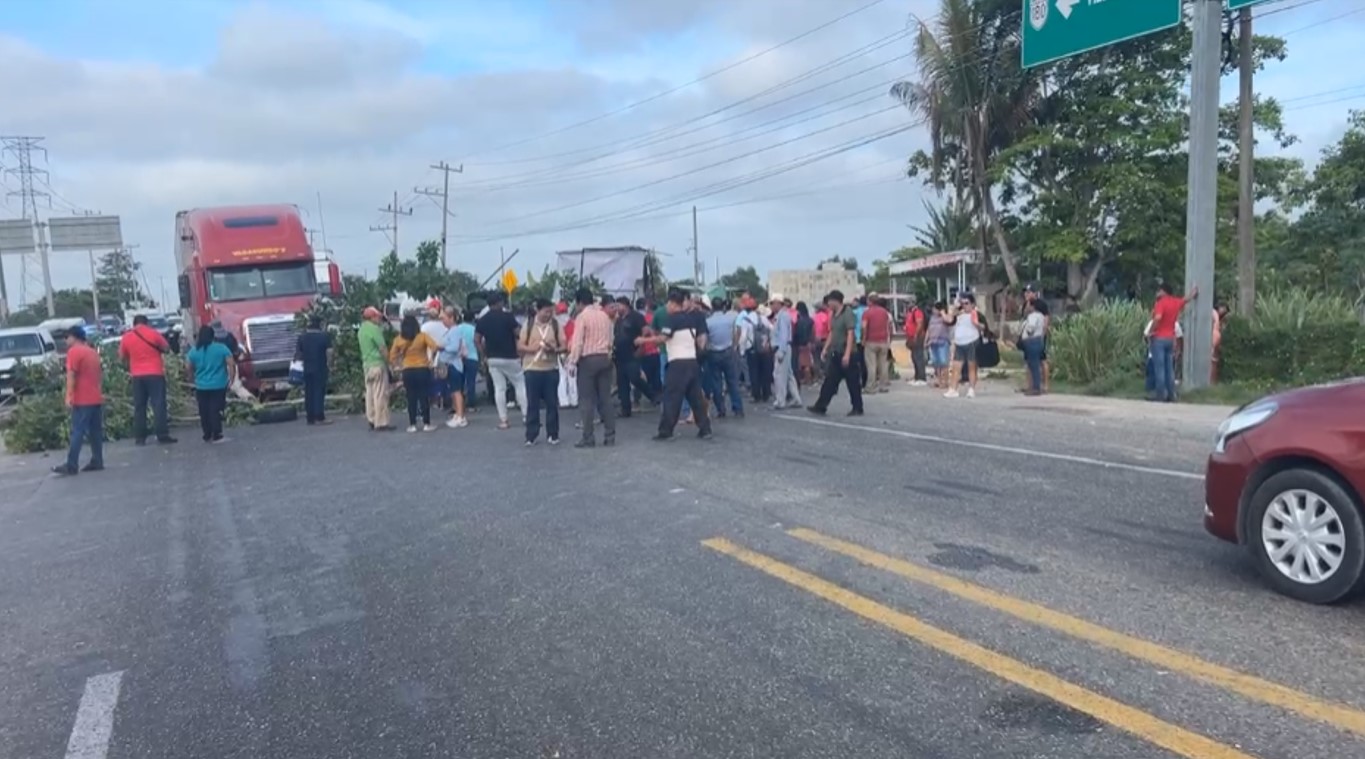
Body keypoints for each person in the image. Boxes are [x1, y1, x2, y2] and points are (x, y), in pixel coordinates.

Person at [638, 288, 713, 441]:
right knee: (696, 398)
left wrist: (643, 341)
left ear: (673, 303)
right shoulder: (691, 319)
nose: (666, 306)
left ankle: (666, 431)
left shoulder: (671, 320)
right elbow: (700, 338)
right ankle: (705, 429)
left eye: (668, 303)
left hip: (678, 364)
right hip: (692, 362)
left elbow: (662, 339)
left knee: (672, 397)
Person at [52, 326, 105, 475]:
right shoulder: (92, 351)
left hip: (82, 399)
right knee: (95, 431)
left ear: (74, 337)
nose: (66, 340)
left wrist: (68, 396)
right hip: (95, 397)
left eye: (67, 337)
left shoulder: (74, 352)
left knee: (77, 432)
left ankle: (71, 464)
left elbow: (71, 375)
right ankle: (97, 460)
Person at [118, 313, 177, 445]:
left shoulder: (126, 337)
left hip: (137, 376)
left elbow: (122, 357)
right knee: (158, 405)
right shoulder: (153, 333)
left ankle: (140, 437)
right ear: (146, 323)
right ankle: (162, 435)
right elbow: (166, 348)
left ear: (134, 324)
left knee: (139, 406)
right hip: (155, 373)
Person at [567, 287, 615, 448]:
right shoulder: (604, 316)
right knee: (605, 399)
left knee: (586, 400)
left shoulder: (582, 317)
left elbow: (578, 342)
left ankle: (588, 437)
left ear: (579, 302)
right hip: (605, 359)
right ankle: (610, 435)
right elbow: (610, 339)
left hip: (588, 360)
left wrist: (572, 361)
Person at [807, 290, 863, 417]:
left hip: (848, 353)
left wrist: (847, 354)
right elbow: (832, 333)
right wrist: (825, 348)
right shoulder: (833, 315)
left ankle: (857, 407)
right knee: (830, 381)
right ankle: (821, 406)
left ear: (835, 300)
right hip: (836, 353)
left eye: (829, 302)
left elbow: (850, 334)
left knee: (853, 383)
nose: (828, 304)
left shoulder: (847, 313)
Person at [475, 292, 527, 430]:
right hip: (510, 356)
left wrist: (484, 355)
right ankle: (526, 416)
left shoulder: (482, 320)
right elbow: (518, 333)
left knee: (499, 388)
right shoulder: (508, 317)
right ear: (499, 303)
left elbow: (477, 340)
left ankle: (503, 420)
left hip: (492, 358)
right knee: (520, 384)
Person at [519, 298, 564, 446]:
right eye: (546, 311)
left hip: (551, 369)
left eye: (550, 311)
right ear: (538, 310)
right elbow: (520, 346)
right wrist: (532, 349)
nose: (548, 314)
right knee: (533, 403)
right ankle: (531, 435)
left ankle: (553, 434)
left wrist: (554, 349)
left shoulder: (556, 325)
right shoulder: (529, 324)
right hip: (532, 368)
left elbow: (564, 345)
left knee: (552, 403)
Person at [389, 314, 441, 432]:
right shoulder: (422, 336)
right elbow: (434, 346)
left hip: (408, 370)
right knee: (424, 396)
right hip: (422, 369)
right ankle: (426, 423)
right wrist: (430, 358)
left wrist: (399, 364)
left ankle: (412, 424)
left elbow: (392, 356)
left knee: (411, 397)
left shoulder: (398, 340)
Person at [1149, 281, 1198, 402]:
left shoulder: (1161, 303)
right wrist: (1193, 293)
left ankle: (1161, 394)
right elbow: (1185, 299)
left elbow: (1158, 318)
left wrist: (1151, 330)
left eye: (1159, 290)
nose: (1157, 293)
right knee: (1169, 368)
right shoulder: (1175, 302)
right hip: (1170, 338)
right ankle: (1172, 394)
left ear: (1163, 291)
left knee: (1159, 368)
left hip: (1159, 338)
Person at [186, 325, 235, 443]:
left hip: (201, 385)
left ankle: (207, 434)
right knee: (215, 409)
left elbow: (188, 368)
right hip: (218, 384)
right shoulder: (221, 348)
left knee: (204, 410)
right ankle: (217, 433)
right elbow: (231, 364)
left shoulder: (193, 351)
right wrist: (231, 379)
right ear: (213, 336)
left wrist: (191, 379)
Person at [613, 296, 655, 417]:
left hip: (633, 354)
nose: (617, 308)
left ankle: (652, 395)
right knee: (622, 383)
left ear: (625, 305)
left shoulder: (636, 317)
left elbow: (646, 331)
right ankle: (625, 409)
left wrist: (642, 346)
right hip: (620, 355)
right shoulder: (619, 320)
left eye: (618, 305)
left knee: (634, 377)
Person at [704, 298, 744, 418]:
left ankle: (721, 409)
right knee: (732, 382)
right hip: (728, 351)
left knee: (716, 383)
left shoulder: (708, 322)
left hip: (713, 353)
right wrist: (735, 344)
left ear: (712, 307)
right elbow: (738, 329)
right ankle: (738, 408)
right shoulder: (730, 318)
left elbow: (705, 338)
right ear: (723, 307)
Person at [358, 306, 393, 431]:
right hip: (377, 364)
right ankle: (381, 422)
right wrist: (389, 361)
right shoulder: (375, 329)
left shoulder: (361, 330)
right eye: (377, 317)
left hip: (367, 364)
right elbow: (382, 348)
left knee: (370, 393)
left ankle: (371, 418)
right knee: (380, 394)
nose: (379, 319)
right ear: (372, 317)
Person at [295, 315, 333, 425]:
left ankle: (310, 417)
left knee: (308, 392)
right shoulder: (324, 336)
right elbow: (330, 352)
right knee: (318, 392)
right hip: (320, 367)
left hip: (306, 368)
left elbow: (298, 354)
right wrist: (330, 365)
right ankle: (319, 416)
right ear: (319, 325)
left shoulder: (302, 337)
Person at [943, 293, 982, 398]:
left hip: (971, 342)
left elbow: (983, 327)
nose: (965, 306)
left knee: (971, 366)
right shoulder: (959, 314)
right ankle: (953, 389)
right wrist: (955, 308)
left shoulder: (976, 313)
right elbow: (949, 320)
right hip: (959, 343)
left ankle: (971, 389)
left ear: (972, 304)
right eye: (963, 303)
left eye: (967, 303)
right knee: (956, 367)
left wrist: (977, 324)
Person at [437, 307, 469, 429]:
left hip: (454, 365)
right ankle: (457, 414)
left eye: (444, 318)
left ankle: (460, 416)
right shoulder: (451, 331)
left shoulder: (454, 331)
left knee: (456, 391)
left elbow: (455, 347)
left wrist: (442, 348)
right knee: (453, 391)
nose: (442, 321)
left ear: (451, 318)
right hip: (450, 364)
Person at [769, 294, 802, 409]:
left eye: (772, 303)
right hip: (785, 347)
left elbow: (783, 335)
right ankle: (796, 398)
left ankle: (780, 400)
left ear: (778, 303)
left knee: (779, 375)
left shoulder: (782, 316)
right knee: (788, 375)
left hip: (781, 347)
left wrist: (781, 351)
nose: (771, 306)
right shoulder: (783, 315)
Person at [860, 295, 894, 393]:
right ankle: (883, 386)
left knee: (871, 365)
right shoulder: (884, 312)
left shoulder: (867, 313)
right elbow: (889, 326)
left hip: (871, 341)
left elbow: (864, 327)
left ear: (870, 302)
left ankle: (870, 387)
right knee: (883, 365)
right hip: (883, 341)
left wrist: (863, 339)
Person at [1023, 285, 1051, 393]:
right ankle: (1029, 385)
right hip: (1028, 338)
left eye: (1029, 292)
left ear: (1035, 293)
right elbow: (1025, 317)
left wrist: (1043, 334)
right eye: (1026, 292)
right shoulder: (1027, 304)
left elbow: (1047, 318)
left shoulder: (1041, 304)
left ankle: (1045, 385)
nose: (1027, 294)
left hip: (1038, 336)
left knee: (1042, 360)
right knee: (1028, 360)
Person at [1018, 299, 1047, 395]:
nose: (1026, 307)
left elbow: (1031, 328)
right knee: (1035, 364)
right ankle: (1034, 386)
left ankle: (1036, 388)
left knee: (1033, 365)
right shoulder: (1041, 316)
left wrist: (1027, 332)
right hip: (1038, 340)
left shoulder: (1033, 316)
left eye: (1028, 305)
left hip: (1032, 341)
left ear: (1032, 306)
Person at [903, 296, 928, 386]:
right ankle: (917, 376)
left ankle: (921, 378)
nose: (906, 305)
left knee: (918, 357)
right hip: (911, 337)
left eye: (908, 303)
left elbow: (919, 324)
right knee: (914, 357)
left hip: (917, 337)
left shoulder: (917, 312)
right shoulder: (910, 313)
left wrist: (916, 336)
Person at [926, 301, 951, 388]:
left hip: (943, 342)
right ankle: (939, 380)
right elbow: (929, 330)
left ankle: (945, 381)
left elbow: (948, 320)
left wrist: (943, 313)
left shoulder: (945, 317)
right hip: (933, 342)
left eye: (935, 309)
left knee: (944, 362)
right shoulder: (932, 318)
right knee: (936, 363)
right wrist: (926, 341)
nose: (933, 310)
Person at [793, 301, 815, 385]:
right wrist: (811, 341)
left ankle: (801, 379)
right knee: (807, 363)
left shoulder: (797, 320)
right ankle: (808, 379)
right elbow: (813, 332)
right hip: (807, 343)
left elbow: (795, 332)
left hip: (799, 343)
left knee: (799, 363)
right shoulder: (810, 320)